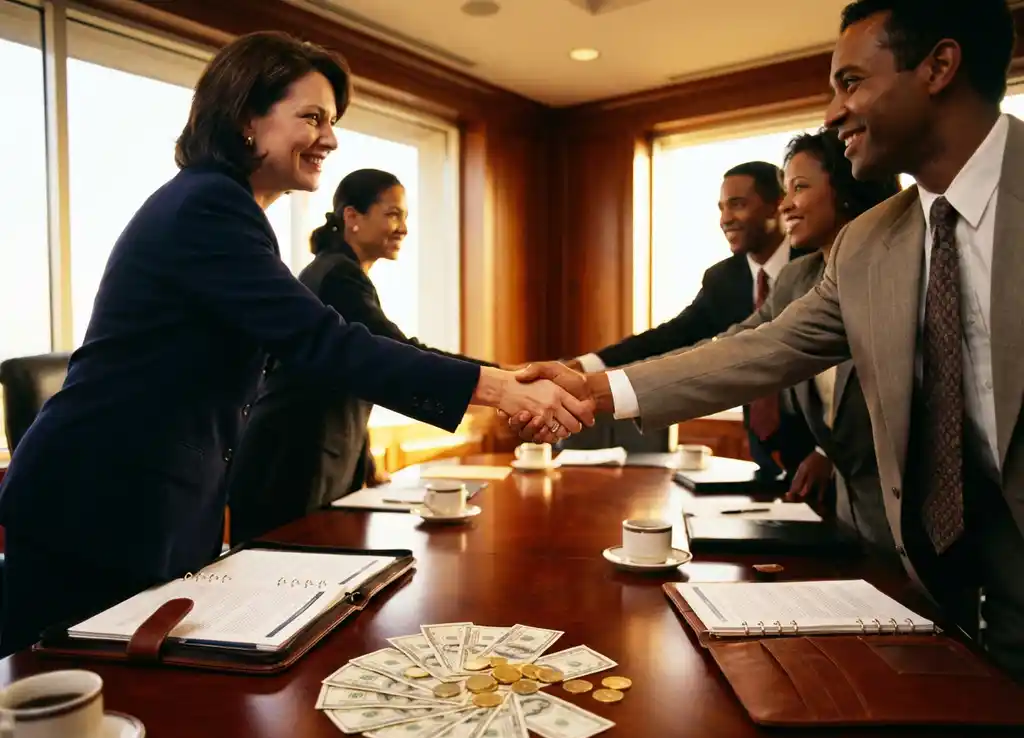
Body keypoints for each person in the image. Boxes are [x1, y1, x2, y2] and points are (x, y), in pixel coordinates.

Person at [0, 31, 591, 655]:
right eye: (312, 118)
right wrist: (499, 386)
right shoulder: (208, 206)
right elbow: (324, 341)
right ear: (245, 119)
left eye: (331, 121)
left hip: (151, 510)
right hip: (96, 509)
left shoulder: (230, 210)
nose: (330, 139)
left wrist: (501, 379)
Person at [521, 0, 1024, 677]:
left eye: (851, 82)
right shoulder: (872, 244)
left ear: (938, 66)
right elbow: (761, 347)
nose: (830, 113)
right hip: (943, 578)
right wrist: (591, 387)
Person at [227, 169, 500, 543]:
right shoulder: (338, 277)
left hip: (307, 464)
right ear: (352, 217)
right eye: (392, 214)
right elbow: (396, 354)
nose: (403, 227)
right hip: (292, 467)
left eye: (405, 217)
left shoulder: (340, 272)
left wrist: (367, 464)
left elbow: (355, 372)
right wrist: (502, 379)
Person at [708, 128, 901, 546]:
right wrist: (611, 383)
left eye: (799, 187)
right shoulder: (799, 277)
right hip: (848, 518)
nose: (786, 204)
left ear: (847, 187)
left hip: (915, 522)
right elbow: (736, 347)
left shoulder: (902, 274)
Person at [564, 161, 817, 479]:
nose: (725, 219)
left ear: (776, 204)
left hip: (828, 451)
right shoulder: (723, 278)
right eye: (722, 208)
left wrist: (826, 451)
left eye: (738, 205)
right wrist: (586, 365)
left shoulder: (816, 265)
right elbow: (674, 335)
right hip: (764, 452)